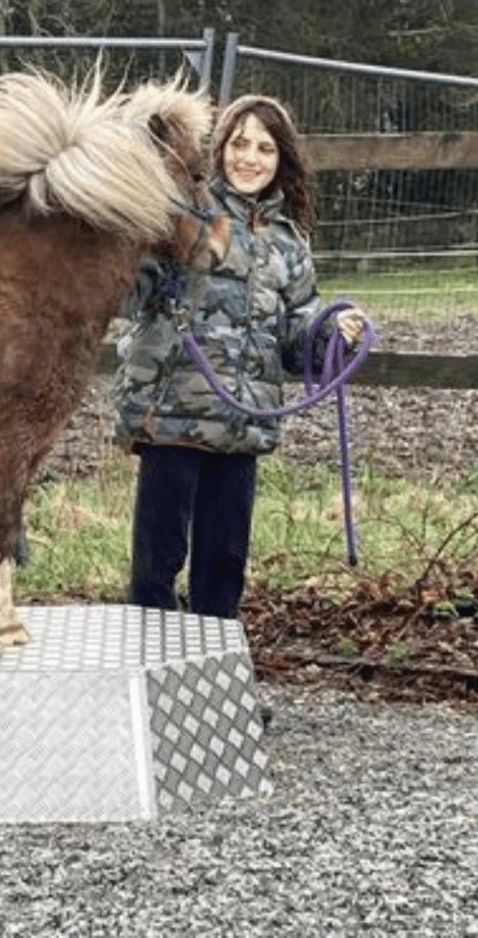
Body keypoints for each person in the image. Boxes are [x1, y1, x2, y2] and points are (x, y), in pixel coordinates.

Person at [114, 93, 366, 618]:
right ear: (221, 147)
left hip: (242, 425)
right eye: (239, 143)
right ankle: (152, 683)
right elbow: (130, 294)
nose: (249, 158)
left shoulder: (288, 242)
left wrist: (327, 331)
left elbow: (295, 333)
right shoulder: (186, 216)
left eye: (265, 148)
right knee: (157, 566)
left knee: (224, 564)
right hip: (173, 417)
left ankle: (214, 686)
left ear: (282, 160)